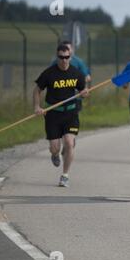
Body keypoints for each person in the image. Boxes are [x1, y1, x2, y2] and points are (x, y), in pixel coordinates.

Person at [33, 44, 89, 187]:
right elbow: (37, 90)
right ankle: (54, 154)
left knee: (69, 143)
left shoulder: (76, 73)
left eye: (66, 57)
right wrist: (37, 107)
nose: (64, 60)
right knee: (55, 147)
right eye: (61, 57)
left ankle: (65, 176)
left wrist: (84, 93)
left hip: (70, 112)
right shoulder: (49, 73)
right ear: (57, 57)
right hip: (53, 114)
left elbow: (84, 91)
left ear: (70, 57)